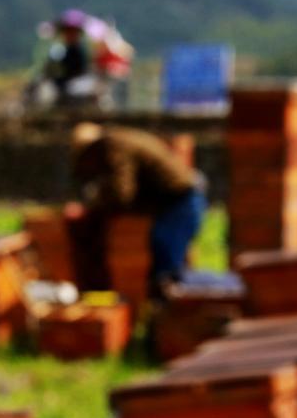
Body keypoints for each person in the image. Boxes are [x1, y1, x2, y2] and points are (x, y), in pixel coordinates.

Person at [71, 122, 206, 297]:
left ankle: (174, 316)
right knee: (167, 261)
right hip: (179, 198)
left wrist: (95, 206)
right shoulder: (121, 138)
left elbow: (122, 193)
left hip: (181, 199)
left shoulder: (114, 146)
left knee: (167, 267)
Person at [47, 10, 91, 100]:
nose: (70, 34)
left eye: (73, 32)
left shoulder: (79, 51)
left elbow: (82, 70)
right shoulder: (62, 50)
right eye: (68, 31)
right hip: (65, 84)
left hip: (77, 85)